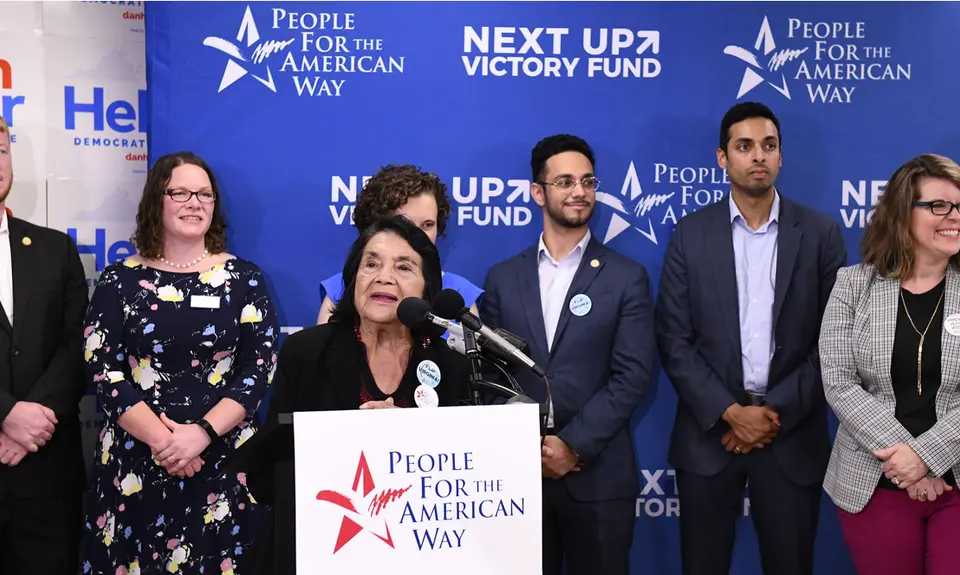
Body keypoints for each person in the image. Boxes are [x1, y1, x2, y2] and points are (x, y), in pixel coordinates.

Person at [655, 101, 847, 575]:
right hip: (710, 435)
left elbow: (834, 343)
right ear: (723, 158)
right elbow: (674, 339)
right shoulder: (690, 234)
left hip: (791, 436)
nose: (758, 156)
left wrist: (770, 414)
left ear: (781, 156)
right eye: (745, 146)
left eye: (768, 146)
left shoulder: (821, 234)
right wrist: (731, 413)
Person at [81, 151, 279, 574]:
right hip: (136, 464)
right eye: (181, 192)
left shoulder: (244, 279)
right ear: (157, 199)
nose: (195, 202)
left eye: (205, 194)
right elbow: (104, 370)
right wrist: (166, 442)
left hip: (224, 462)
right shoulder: (119, 280)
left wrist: (202, 434)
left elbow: (257, 369)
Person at [240, 215, 472, 574]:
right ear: (354, 279)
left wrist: (413, 436)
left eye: (404, 267)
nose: (384, 276)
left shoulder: (453, 365)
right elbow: (270, 475)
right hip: (319, 548)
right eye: (372, 264)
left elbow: (465, 480)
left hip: (421, 554)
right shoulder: (307, 352)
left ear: (427, 289)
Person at [479, 134, 655, 575]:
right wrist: (528, 443)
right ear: (538, 192)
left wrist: (573, 446)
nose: (579, 191)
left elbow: (632, 375)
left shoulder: (626, 277)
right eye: (564, 181)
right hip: (516, 476)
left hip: (598, 477)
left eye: (588, 181)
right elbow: (489, 374)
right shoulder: (502, 278)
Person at [819, 153, 960, 575]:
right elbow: (839, 381)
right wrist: (909, 467)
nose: (953, 217)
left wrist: (926, 457)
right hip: (873, 481)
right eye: (939, 206)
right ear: (902, 213)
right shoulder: (853, 285)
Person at [0, 116, 88, 572]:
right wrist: (5, 415)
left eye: (1, 150)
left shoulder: (56, 249)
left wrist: (33, 421)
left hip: (47, 473)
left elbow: (78, 346)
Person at [317, 164, 482, 324]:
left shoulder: (458, 296)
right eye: (406, 224)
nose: (418, 236)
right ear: (376, 226)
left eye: (428, 225)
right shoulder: (342, 288)